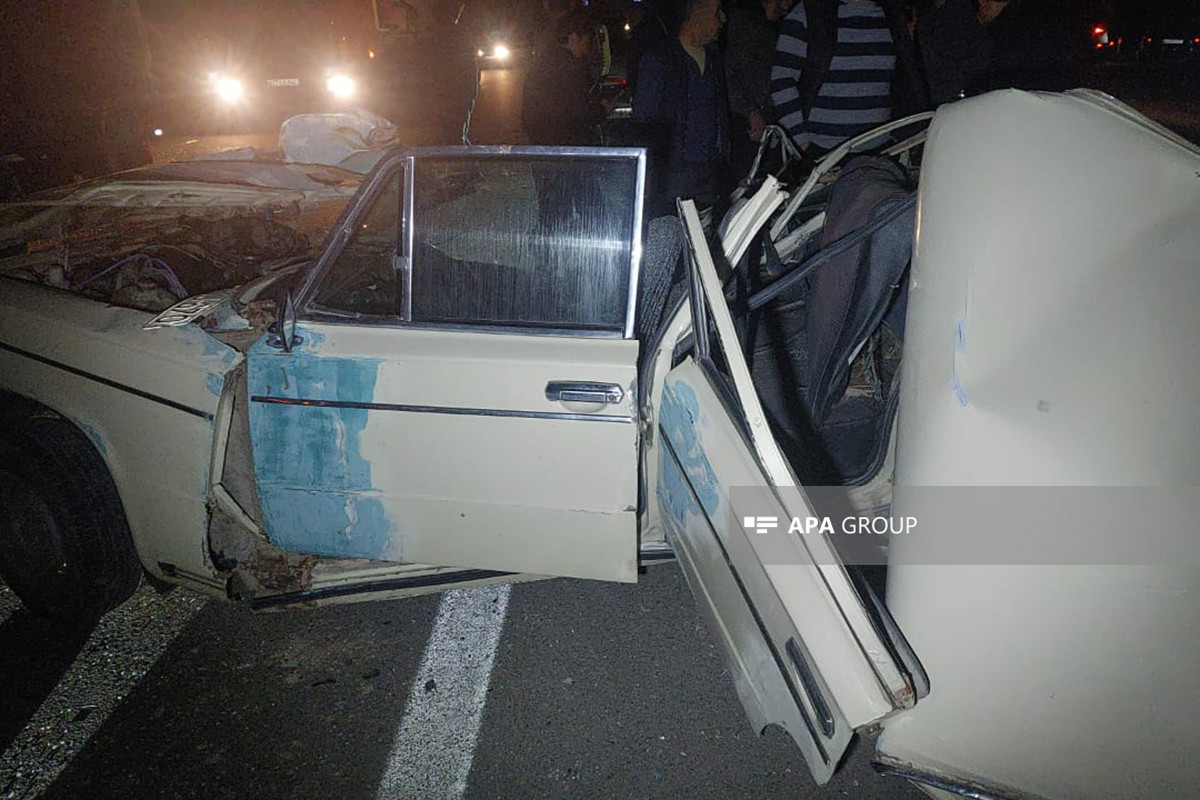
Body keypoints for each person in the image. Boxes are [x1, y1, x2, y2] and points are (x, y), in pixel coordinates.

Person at [769, 0, 927, 157]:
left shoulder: (893, 14)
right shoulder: (809, 13)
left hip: (881, 150)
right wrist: (801, 143)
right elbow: (782, 79)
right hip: (822, 152)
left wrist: (903, 134)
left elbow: (905, 78)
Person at [632, 0, 732, 216]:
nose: (723, 19)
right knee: (675, 236)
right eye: (717, 12)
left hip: (710, 171)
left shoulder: (714, 57)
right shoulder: (659, 59)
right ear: (699, 15)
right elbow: (643, 117)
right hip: (674, 175)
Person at [915, 0, 1079, 106]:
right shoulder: (943, 19)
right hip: (972, 114)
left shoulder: (1045, 18)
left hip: (1036, 109)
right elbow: (943, 85)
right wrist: (980, 21)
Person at [725, 0, 794, 180]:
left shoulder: (776, 28)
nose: (787, 6)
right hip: (744, 125)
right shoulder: (745, 24)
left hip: (767, 126)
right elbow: (729, 75)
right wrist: (751, 112)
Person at [522, 11, 607, 145]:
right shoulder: (571, 68)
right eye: (586, 41)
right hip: (567, 145)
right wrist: (602, 110)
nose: (586, 48)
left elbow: (527, 118)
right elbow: (579, 112)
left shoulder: (541, 63)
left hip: (542, 144)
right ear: (573, 37)